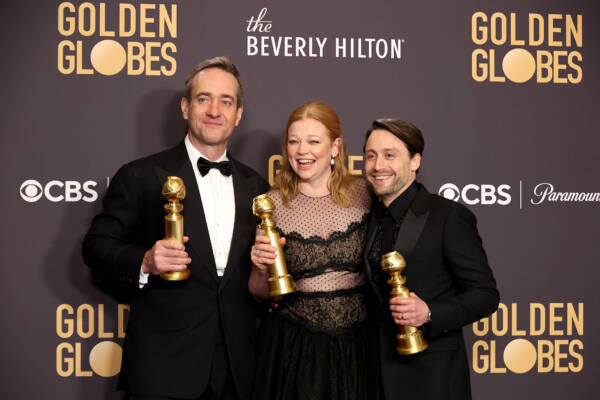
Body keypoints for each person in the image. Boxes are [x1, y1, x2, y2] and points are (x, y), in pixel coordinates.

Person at [82, 57, 268, 400]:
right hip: (164, 369)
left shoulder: (256, 186)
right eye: (203, 98)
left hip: (238, 372)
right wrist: (147, 261)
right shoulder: (140, 175)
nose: (215, 110)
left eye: (226, 101)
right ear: (185, 107)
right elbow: (96, 245)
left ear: (238, 114)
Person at [248, 101, 380, 400]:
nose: (302, 151)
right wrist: (258, 267)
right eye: (294, 142)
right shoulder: (272, 203)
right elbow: (257, 293)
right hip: (294, 351)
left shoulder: (365, 194)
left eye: (313, 141)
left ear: (335, 147)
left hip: (359, 349)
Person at [362, 119, 499, 400]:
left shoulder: (447, 216)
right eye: (371, 155)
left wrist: (429, 312)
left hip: (432, 378)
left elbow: (485, 295)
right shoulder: (368, 217)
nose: (378, 166)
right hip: (375, 377)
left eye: (390, 155)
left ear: (415, 161)